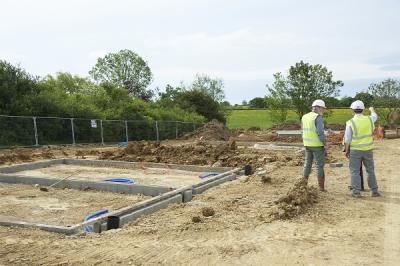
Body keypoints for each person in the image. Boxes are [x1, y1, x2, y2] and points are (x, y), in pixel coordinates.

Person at [344, 100, 380, 198]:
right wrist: (372, 109)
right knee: (370, 170)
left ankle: (356, 192)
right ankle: (374, 191)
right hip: (368, 149)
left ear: (352, 110)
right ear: (363, 109)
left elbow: (347, 139)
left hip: (355, 150)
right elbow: (375, 116)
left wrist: (347, 150)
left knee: (355, 171)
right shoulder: (369, 119)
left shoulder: (350, 122)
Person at [302, 99, 328, 191]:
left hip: (307, 144)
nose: (323, 110)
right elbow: (320, 132)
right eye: (322, 108)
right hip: (317, 145)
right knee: (319, 165)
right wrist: (325, 144)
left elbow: (303, 130)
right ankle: (321, 187)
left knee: (307, 164)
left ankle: (303, 185)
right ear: (317, 107)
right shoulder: (317, 117)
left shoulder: (304, 116)